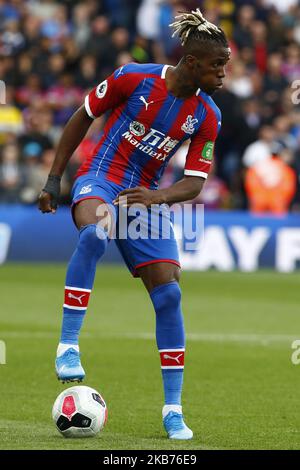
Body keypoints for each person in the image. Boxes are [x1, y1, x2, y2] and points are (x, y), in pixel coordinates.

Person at [38, 8, 230, 440]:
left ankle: (173, 411)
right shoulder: (134, 77)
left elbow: (195, 183)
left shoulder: (208, 114)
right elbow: (81, 115)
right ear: (193, 62)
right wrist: (54, 178)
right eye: (218, 64)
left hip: (145, 197)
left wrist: (156, 197)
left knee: (170, 295)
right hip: (101, 179)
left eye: (226, 64)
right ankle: (68, 346)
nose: (223, 73)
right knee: (95, 232)